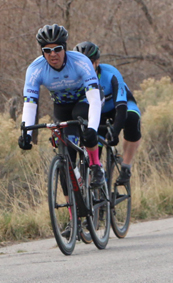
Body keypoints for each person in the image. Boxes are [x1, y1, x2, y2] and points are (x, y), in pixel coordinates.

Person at [17, 24, 103, 166]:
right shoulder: (35, 69)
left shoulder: (80, 62)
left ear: (64, 48)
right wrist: (27, 134)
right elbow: (30, 104)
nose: (53, 54)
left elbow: (94, 100)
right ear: (42, 51)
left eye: (57, 49)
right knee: (67, 153)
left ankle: (95, 165)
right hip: (61, 107)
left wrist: (92, 129)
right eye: (47, 50)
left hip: (85, 101)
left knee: (80, 117)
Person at [74, 41, 141, 185]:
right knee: (92, 142)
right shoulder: (75, 80)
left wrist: (115, 131)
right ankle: (95, 197)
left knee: (132, 119)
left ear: (97, 62)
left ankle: (126, 167)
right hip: (99, 114)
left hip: (119, 107)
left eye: (89, 63)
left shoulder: (110, 74)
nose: (85, 68)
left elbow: (122, 106)